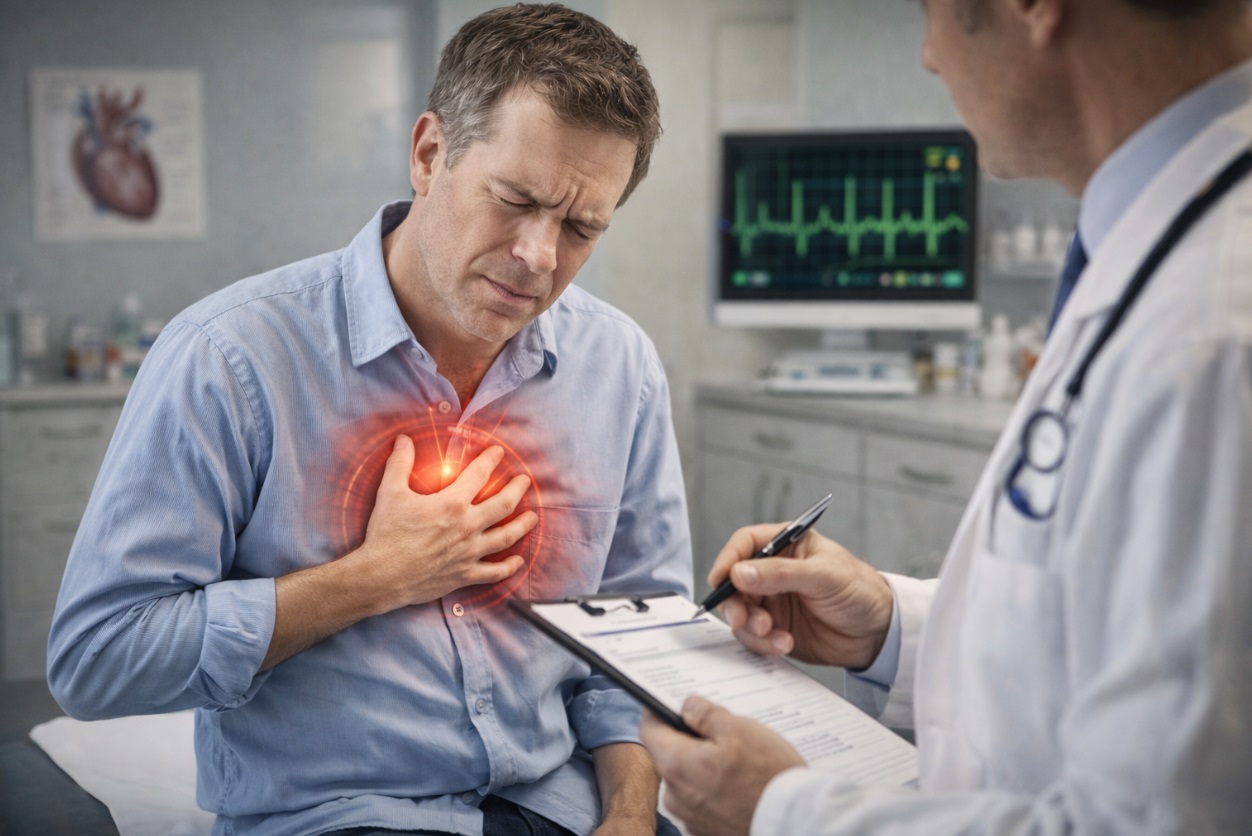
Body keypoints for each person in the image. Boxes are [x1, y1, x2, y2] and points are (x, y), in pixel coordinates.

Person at [48, 5, 691, 835]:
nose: (539, 255)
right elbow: (98, 658)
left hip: (559, 805)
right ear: (430, 154)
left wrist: (632, 815)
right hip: (343, 816)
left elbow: (641, 645)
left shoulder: (620, 368)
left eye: (579, 227)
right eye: (515, 200)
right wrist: (374, 577)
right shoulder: (231, 359)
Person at [641, 0, 1252, 833]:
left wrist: (782, 812)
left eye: (928, 8)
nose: (927, 54)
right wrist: (888, 627)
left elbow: (1158, 821)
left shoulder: (1218, 335)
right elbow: (1097, 642)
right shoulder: (1161, 251)